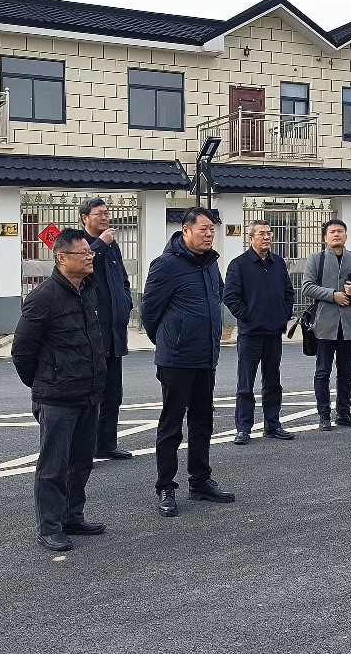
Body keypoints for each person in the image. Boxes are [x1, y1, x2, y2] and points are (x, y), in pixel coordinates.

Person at [12, 228, 107, 551]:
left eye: (90, 252)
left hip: (88, 391)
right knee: (53, 466)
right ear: (62, 259)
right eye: (84, 253)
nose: (90, 257)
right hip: (57, 396)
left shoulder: (88, 290)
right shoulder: (43, 298)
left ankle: (72, 516)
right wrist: (45, 382)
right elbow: (22, 351)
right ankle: (50, 526)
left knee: (81, 462)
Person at [141, 207, 234, 517]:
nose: (209, 234)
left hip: (205, 356)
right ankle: (166, 487)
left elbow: (217, 298)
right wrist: (171, 340)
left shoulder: (210, 263)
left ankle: (200, 479)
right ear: (185, 230)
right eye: (203, 229)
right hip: (176, 359)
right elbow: (150, 313)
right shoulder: (166, 265)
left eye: (212, 229)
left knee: (202, 421)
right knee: (171, 425)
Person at [223, 220, 296, 445]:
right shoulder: (239, 264)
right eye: (261, 234)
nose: (266, 237)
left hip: (274, 332)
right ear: (251, 238)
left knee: (273, 382)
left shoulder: (278, 263)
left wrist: (284, 313)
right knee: (246, 384)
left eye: (269, 233)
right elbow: (230, 296)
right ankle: (243, 428)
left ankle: (272, 425)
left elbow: (288, 292)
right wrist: (248, 316)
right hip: (250, 333)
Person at [302, 219, 351, 431]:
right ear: (325, 237)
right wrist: (333, 295)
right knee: (323, 371)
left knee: (346, 372)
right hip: (324, 324)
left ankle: (344, 412)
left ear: (346, 236)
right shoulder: (316, 258)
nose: (336, 234)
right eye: (332, 232)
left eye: (340, 231)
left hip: (349, 325)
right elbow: (307, 287)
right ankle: (324, 414)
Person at [79, 198, 134, 460]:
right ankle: (86, 450)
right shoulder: (81, 244)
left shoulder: (112, 246)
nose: (105, 217)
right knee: (93, 395)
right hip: (93, 330)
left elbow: (122, 280)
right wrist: (100, 244)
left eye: (107, 213)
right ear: (84, 218)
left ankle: (107, 444)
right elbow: (81, 267)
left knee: (113, 394)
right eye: (99, 213)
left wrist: (126, 302)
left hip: (114, 330)